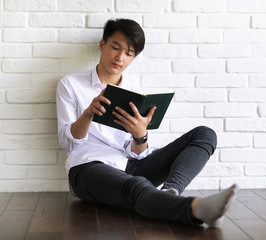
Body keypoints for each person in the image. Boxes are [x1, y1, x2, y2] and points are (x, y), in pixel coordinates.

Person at [56, 18, 238, 227]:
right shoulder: (70, 84)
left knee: (204, 134)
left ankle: (171, 191)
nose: (120, 57)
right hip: (88, 168)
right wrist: (88, 114)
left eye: (129, 54)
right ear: (102, 45)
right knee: (136, 186)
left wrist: (140, 134)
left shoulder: (135, 93)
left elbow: (138, 153)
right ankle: (195, 209)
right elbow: (68, 144)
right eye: (115, 47)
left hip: (130, 165)